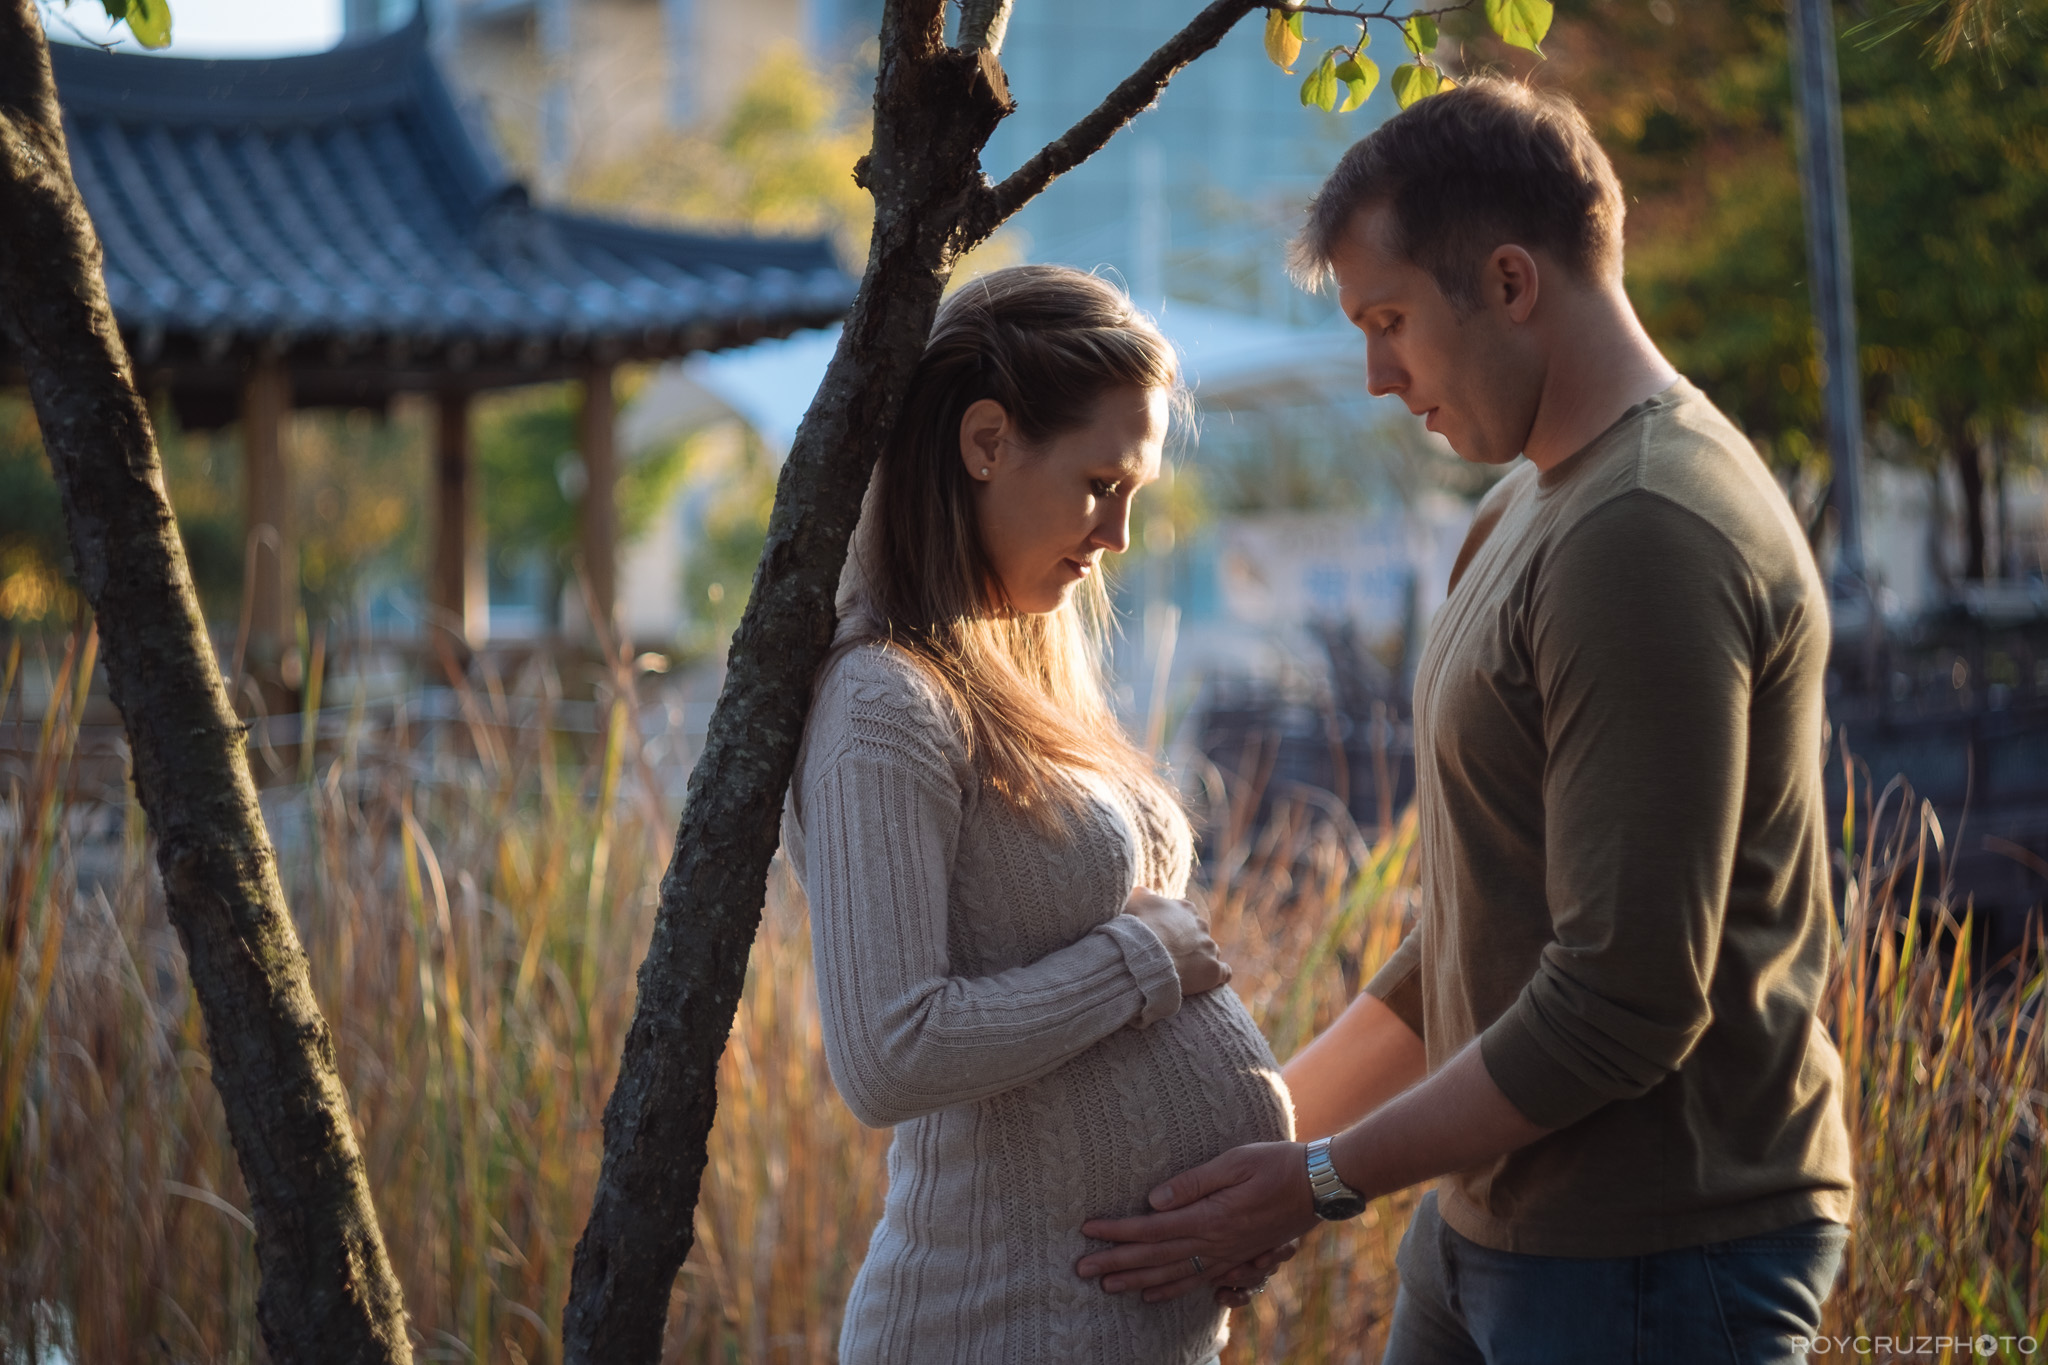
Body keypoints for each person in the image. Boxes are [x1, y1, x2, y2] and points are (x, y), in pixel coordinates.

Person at [1074, 79, 1856, 1363]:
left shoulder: (1644, 529)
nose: (1377, 377)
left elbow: (1621, 997)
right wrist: (1262, 1148)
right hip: (1495, 1228)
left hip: (1656, 1260)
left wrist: (1323, 1179)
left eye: (1389, 322)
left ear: (1507, 282)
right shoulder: (1531, 508)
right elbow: (1483, 918)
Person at [781, 264, 1294, 1365]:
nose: (1115, 534)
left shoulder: (1014, 672)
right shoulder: (884, 698)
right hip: (996, 1327)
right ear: (985, 443)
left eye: (1133, 495)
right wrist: (1139, 962)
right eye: (1099, 483)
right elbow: (888, 1055)